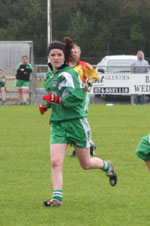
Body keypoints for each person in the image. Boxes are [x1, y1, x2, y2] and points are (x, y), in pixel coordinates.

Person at [39, 37, 118, 207]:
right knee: (55, 161)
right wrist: (47, 104)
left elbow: (77, 97)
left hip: (76, 123)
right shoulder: (50, 75)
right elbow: (54, 95)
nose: (55, 58)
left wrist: (57, 99)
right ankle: (57, 198)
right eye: (52, 55)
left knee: (86, 164)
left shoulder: (70, 73)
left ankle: (107, 166)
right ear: (49, 57)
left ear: (64, 56)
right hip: (58, 123)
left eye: (59, 54)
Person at [68, 44, 100, 157]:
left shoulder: (84, 65)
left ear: (79, 54)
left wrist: (89, 83)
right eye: (72, 52)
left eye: (76, 52)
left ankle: (84, 145)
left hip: (82, 95)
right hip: (69, 97)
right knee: (72, 120)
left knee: (80, 118)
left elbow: (95, 76)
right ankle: (86, 145)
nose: (74, 54)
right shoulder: (65, 66)